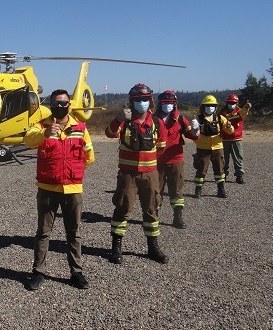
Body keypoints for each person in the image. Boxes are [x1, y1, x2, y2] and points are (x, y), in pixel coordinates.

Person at [23, 89, 95, 291]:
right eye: (56, 103)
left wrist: (73, 171)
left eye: (64, 103)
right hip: (47, 188)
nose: (60, 107)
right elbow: (28, 140)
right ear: (51, 105)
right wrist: (46, 133)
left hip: (72, 188)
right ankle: (38, 272)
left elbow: (89, 156)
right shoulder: (41, 126)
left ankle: (76, 272)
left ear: (69, 105)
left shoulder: (80, 128)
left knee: (74, 232)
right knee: (43, 232)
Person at [105, 83, 169, 264]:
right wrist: (117, 119)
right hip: (128, 175)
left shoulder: (157, 122)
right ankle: (116, 247)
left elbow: (161, 148)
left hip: (150, 174)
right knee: (123, 209)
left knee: (151, 210)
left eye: (145, 99)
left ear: (150, 101)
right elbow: (109, 133)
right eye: (138, 100)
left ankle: (153, 248)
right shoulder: (124, 121)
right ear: (131, 102)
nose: (142, 102)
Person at [154, 91, 199, 229]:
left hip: (176, 161)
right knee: (156, 191)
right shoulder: (153, 119)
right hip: (157, 162)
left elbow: (191, 135)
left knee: (177, 192)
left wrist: (196, 130)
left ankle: (177, 218)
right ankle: (154, 218)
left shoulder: (180, 119)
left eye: (170, 103)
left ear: (175, 103)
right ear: (160, 103)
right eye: (165, 102)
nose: (167, 105)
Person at [193, 95, 234, 198]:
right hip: (203, 149)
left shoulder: (220, 118)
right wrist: (198, 141)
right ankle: (198, 190)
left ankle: (221, 190)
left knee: (220, 170)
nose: (210, 107)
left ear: (215, 107)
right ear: (203, 106)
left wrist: (229, 126)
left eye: (212, 105)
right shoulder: (198, 119)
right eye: (208, 105)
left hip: (217, 148)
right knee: (201, 170)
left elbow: (230, 131)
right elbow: (193, 134)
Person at [220, 94, 252, 184]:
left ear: (237, 103)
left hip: (236, 139)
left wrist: (247, 107)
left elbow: (244, 112)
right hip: (224, 139)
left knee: (238, 158)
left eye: (233, 103)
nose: (231, 104)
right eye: (230, 103)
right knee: (223, 159)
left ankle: (239, 176)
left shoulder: (240, 112)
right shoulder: (222, 112)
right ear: (227, 103)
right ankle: (223, 175)